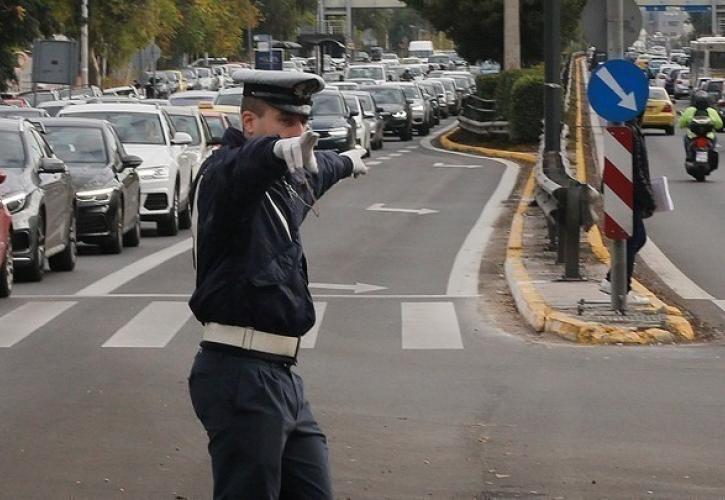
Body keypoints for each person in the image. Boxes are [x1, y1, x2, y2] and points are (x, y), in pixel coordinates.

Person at [187, 69, 368, 499]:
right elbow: (243, 166)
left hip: (281, 375)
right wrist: (276, 152)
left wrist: (344, 162)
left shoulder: (284, 181)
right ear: (249, 123)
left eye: (303, 122)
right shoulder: (224, 177)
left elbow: (315, 169)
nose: (300, 132)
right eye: (287, 122)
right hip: (239, 371)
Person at [599, 111, 656, 300]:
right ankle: (621, 288)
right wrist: (649, 199)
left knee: (635, 239)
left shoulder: (625, 129)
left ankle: (614, 281)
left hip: (623, 193)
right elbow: (637, 171)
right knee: (633, 239)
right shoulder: (630, 132)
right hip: (628, 196)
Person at [679, 90, 723, 163]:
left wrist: (686, 124)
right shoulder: (712, 111)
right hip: (709, 136)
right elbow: (719, 124)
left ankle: (689, 156)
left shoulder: (689, 110)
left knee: (685, 139)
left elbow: (681, 124)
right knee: (714, 140)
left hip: (692, 136)